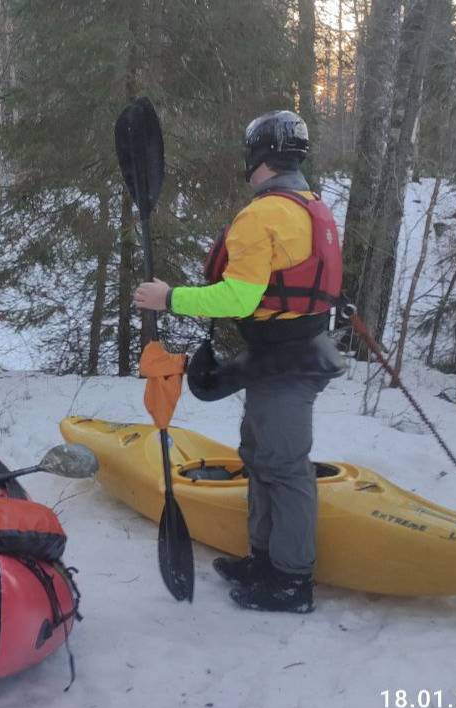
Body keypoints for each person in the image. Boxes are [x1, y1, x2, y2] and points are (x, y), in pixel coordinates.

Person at [133, 110, 344, 614]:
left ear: (260, 156)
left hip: (286, 362)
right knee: (261, 455)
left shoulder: (265, 213)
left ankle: (291, 581)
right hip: (291, 353)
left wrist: (171, 298)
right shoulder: (311, 204)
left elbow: (240, 297)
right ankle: (264, 559)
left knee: (285, 467)